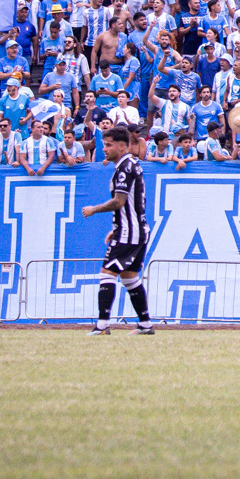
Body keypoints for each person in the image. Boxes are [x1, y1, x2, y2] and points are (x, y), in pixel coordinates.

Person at [80, 125, 153, 335]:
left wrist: (94, 209)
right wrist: (117, 227)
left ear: (122, 146)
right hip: (135, 228)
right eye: (104, 144)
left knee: (107, 273)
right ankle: (146, 325)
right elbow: (131, 202)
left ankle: (102, 325)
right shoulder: (130, 164)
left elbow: (119, 201)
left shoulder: (124, 167)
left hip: (129, 231)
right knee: (129, 276)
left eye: (109, 145)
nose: (104, 149)